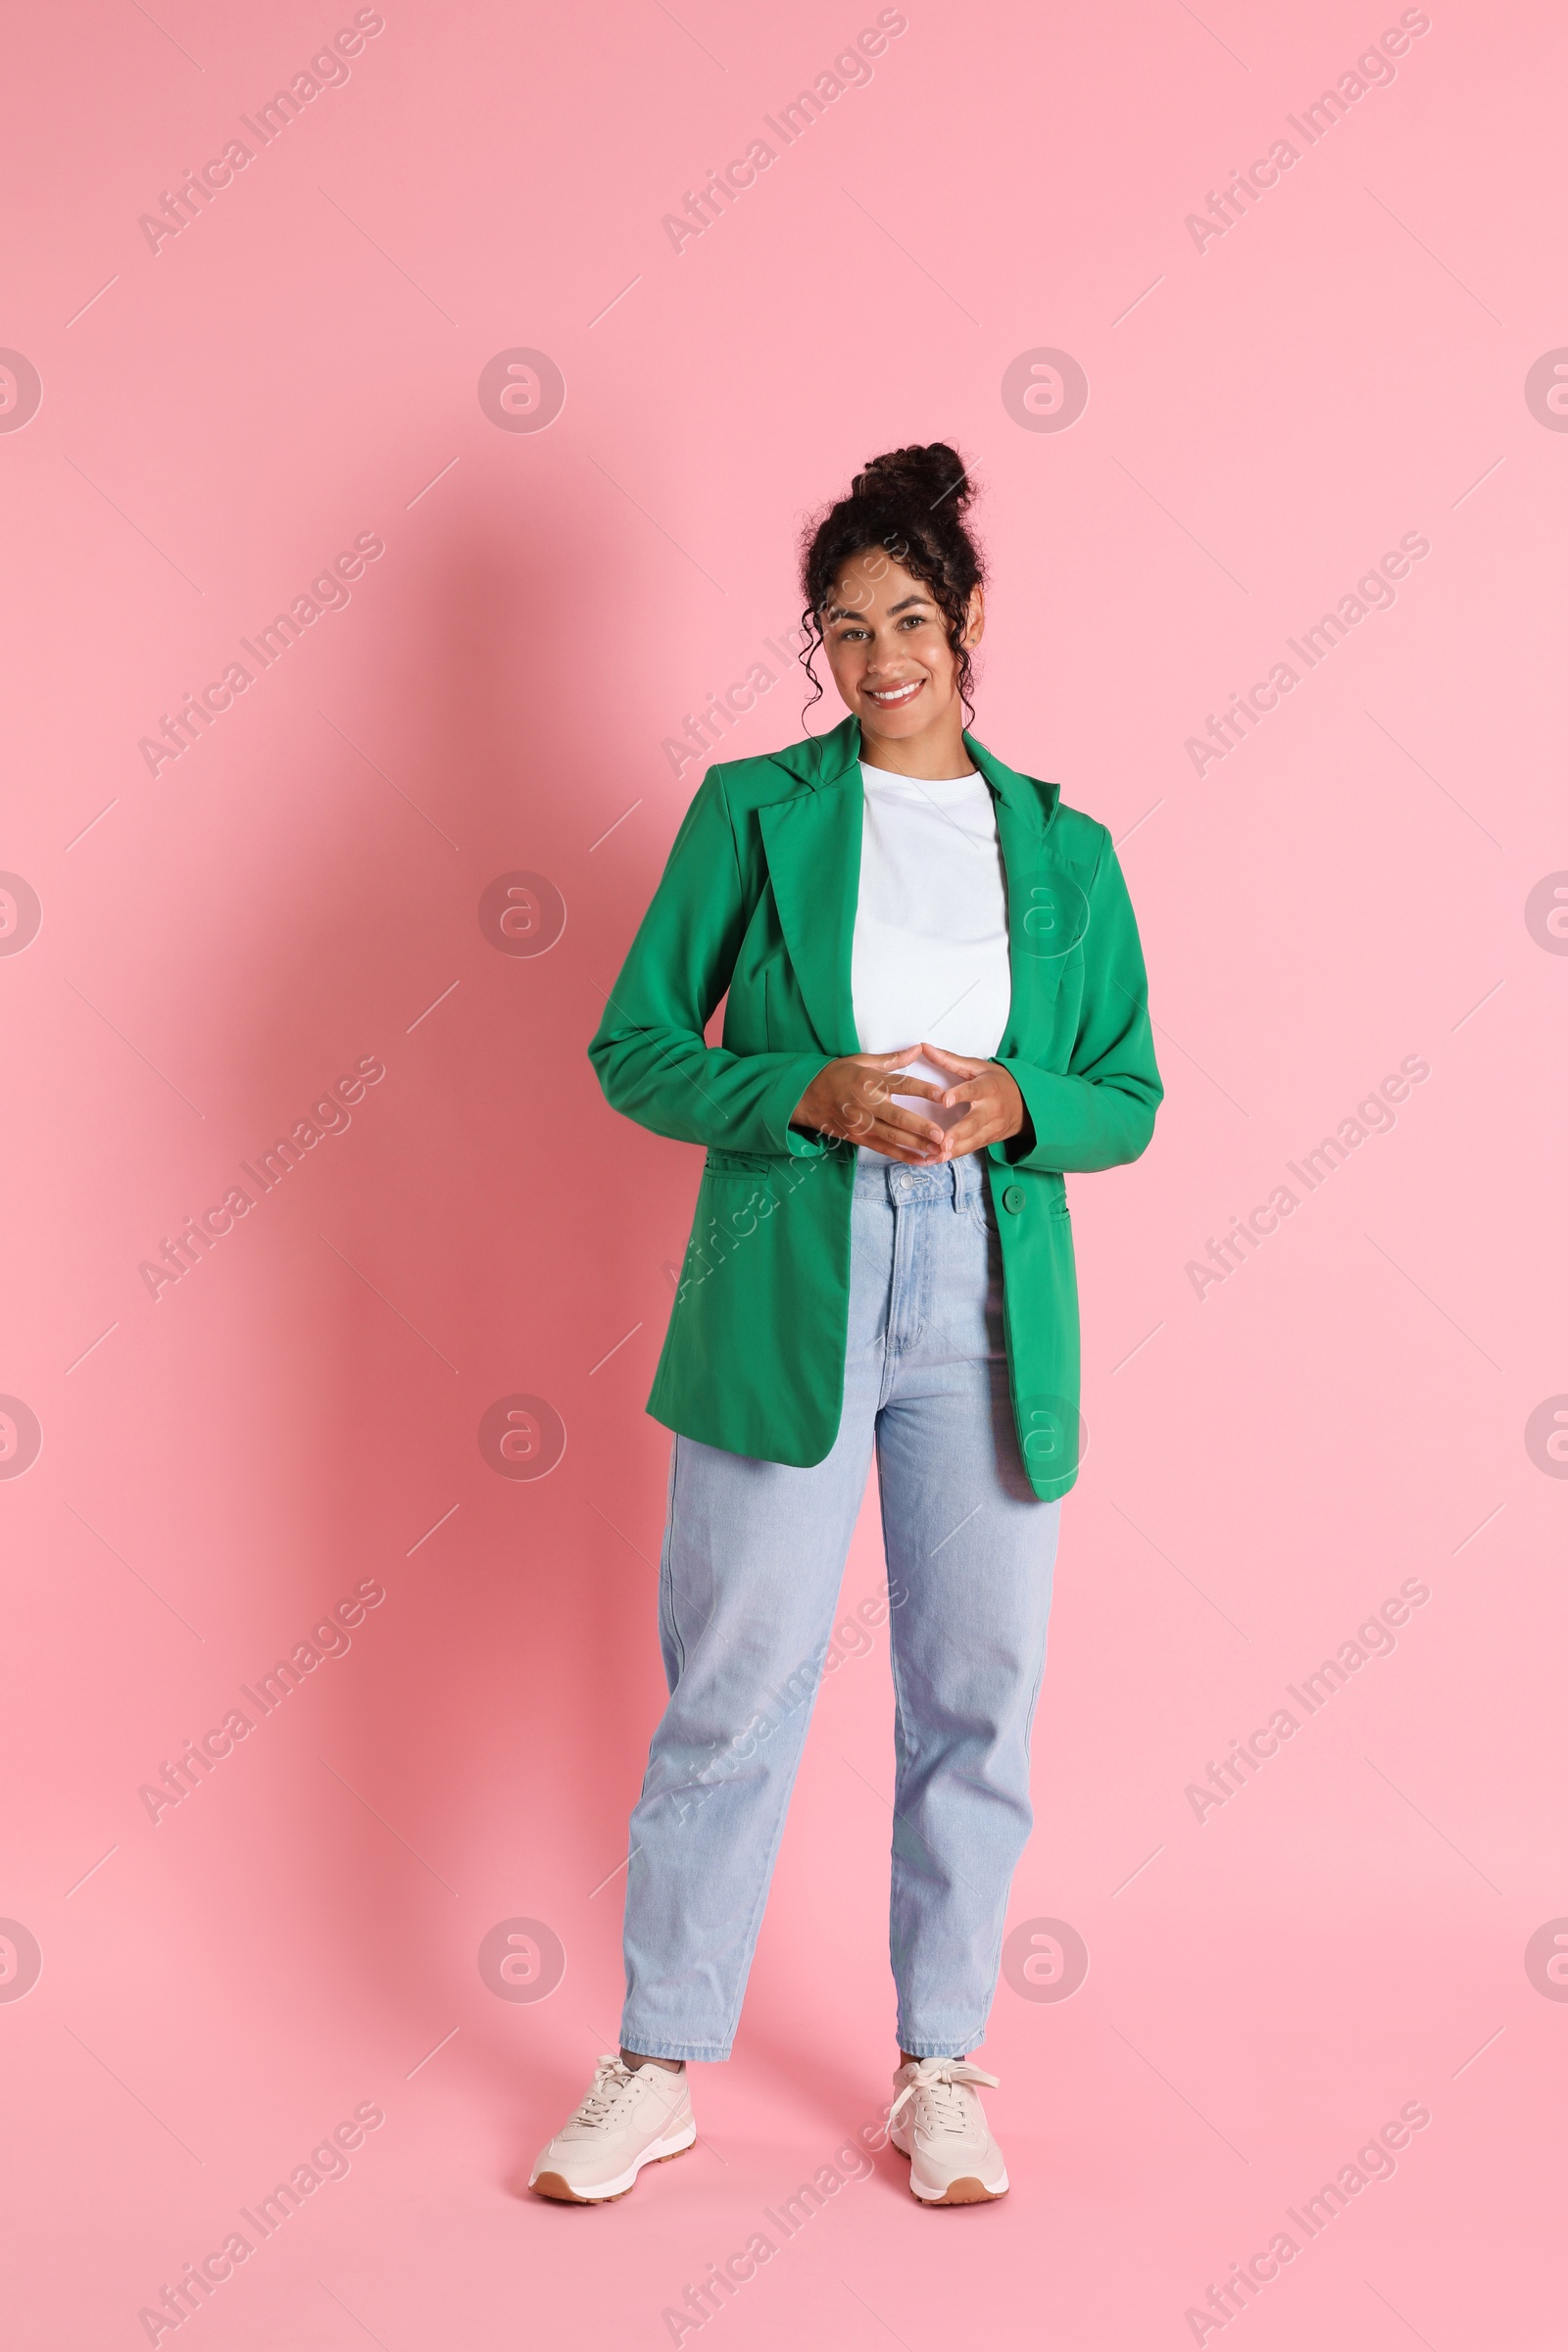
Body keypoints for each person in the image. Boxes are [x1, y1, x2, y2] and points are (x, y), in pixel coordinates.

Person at [530, 443, 1162, 2206]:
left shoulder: (1068, 847)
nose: (878, 657)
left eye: (906, 618)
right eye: (841, 629)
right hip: (787, 1279)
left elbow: (1128, 1092)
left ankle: (938, 2066)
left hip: (986, 1292)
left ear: (967, 618)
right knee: (731, 1689)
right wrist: (804, 1089)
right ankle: (657, 2062)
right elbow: (638, 1046)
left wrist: (1012, 1104)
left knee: (977, 1695)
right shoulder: (754, 809)